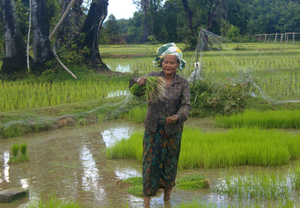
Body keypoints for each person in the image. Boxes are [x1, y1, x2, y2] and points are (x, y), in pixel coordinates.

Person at [130, 43, 191, 207]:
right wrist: (138, 82)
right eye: (165, 62)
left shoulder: (183, 83)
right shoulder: (153, 78)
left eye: (172, 62)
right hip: (153, 128)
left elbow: (186, 105)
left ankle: (167, 199)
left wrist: (177, 117)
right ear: (161, 62)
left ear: (178, 65)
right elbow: (135, 91)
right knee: (150, 163)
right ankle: (146, 202)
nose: (168, 65)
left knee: (170, 163)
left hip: (173, 130)